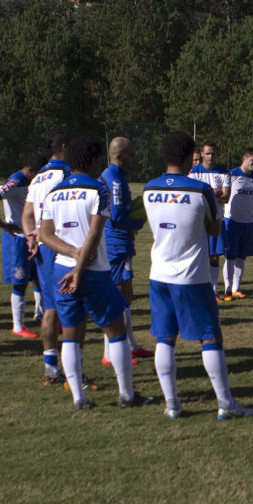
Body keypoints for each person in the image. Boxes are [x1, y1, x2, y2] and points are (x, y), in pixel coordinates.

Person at [144, 130, 253, 420]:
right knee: (210, 337)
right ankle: (226, 403)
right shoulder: (198, 190)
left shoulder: (148, 188)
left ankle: (172, 404)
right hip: (191, 275)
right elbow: (215, 229)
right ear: (187, 156)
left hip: (159, 274)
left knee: (164, 338)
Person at [39, 137, 149, 410]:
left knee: (72, 335)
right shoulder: (98, 189)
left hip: (61, 270)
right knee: (116, 330)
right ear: (91, 160)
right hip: (93, 272)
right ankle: (127, 395)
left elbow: (45, 234)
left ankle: (79, 398)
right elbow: (95, 232)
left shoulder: (55, 192)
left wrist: (72, 254)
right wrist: (80, 264)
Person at [22, 132, 71, 386]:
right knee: (73, 308)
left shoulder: (38, 176)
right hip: (61, 245)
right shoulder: (67, 173)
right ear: (64, 147)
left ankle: (51, 368)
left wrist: (32, 237)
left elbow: (27, 214)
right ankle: (75, 371)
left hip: (42, 247)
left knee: (50, 308)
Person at [0, 154, 47, 338]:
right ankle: (18, 326)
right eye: (39, 175)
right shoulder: (17, 180)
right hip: (18, 238)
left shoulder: (30, 182)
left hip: (34, 236)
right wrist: (2, 224)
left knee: (38, 278)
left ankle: (40, 314)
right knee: (20, 282)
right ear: (31, 170)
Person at [100, 136, 152, 366]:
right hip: (117, 244)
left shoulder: (112, 175)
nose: (135, 158)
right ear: (119, 156)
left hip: (116, 243)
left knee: (125, 295)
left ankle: (130, 346)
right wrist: (139, 221)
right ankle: (111, 353)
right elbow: (118, 217)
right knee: (120, 297)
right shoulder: (116, 179)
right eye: (131, 154)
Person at [189, 141, 232, 300]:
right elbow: (194, 197)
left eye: (213, 153)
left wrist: (207, 192)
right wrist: (215, 192)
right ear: (201, 154)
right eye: (207, 153)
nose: (211, 156)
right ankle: (199, 290)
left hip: (216, 219)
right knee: (199, 255)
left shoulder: (224, 172)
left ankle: (213, 291)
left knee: (215, 256)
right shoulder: (194, 172)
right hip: (198, 220)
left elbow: (226, 197)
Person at [222, 149, 253, 300]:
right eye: (252, 160)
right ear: (244, 159)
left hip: (248, 222)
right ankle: (227, 289)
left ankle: (236, 288)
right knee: (230, 257)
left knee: (242, 257)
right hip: (231, 221)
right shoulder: (231, 174)